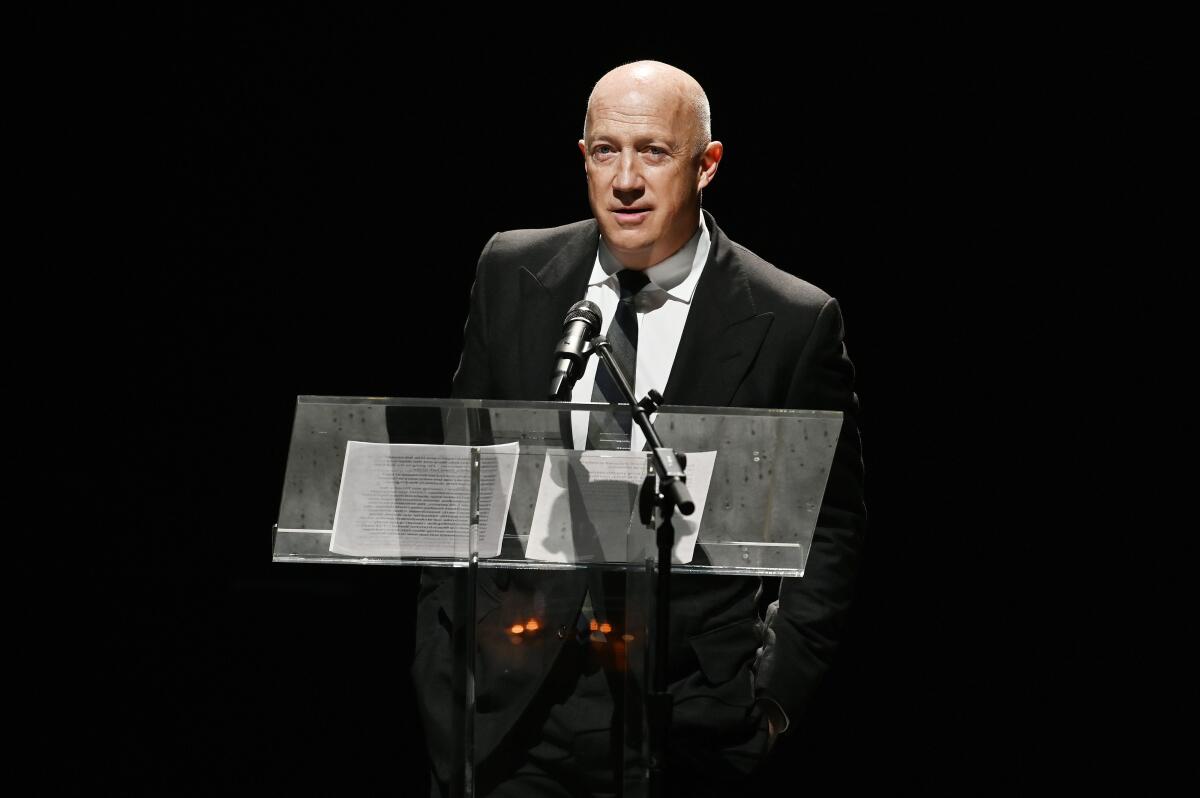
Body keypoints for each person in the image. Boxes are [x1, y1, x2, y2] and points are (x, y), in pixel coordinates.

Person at [413, 60, 866, 797]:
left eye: (653, 151)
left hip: (685, 716)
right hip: (508, 703)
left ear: (706, 164)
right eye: (605, 151)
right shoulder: (511, 270)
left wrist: (772, 701)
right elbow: (464, 467)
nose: (626, 180)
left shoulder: (793, 320)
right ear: (583, 157)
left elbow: (831, 528)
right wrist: (440, 656)